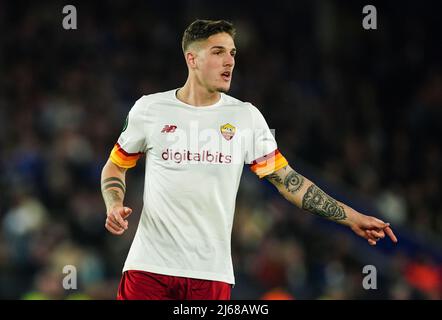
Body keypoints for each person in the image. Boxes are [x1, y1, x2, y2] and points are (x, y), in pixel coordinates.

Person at [100, 19, 397, 300]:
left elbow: (288, 182)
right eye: (218, 52)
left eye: (232, 53)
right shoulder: (150, 109)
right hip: (149, 267)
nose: (229, 61)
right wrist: (114, 203)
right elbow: (116, 164)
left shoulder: (246, 117)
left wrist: (352, 217)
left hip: (211, 273)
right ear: (192, 59)